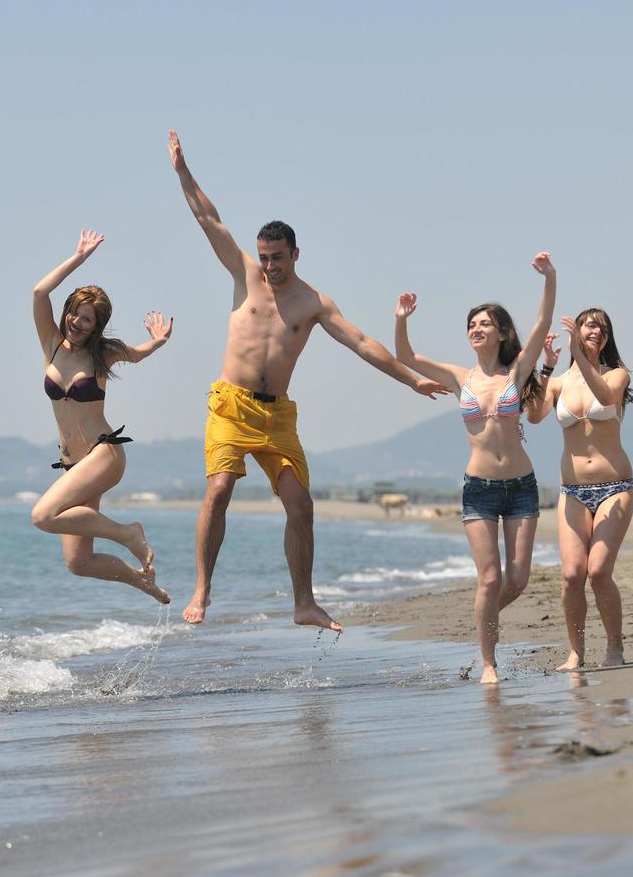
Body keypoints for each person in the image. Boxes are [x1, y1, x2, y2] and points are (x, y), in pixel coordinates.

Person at [168, 130, 447, 631]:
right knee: (220, 489)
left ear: (296, 254)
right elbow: (207, 218)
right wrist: (183, 172)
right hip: (231, 406)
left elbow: (362, 343)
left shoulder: (314, 303)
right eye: (264, 256)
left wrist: (411, 381)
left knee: (300, 504)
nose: (269, 266)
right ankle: (203, 589)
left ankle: (304, 603)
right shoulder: (245, 275)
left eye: (277, 257)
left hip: (276, 415)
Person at [394, 253, 557, 683]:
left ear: (501, 332)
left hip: (521, 487)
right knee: (489, 579)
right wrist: (402, 318)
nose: (476, 328)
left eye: (485, 323)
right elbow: (406, 355)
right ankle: (488, 662)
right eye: (472, 324)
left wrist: (549, 279)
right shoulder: (458, 377)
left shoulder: (517, 372)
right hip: (479, 489)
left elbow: (541, 327)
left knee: (517, 580)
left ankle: (484, 623)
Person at [27, 228, 174, 605]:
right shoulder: (51, 344)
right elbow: (39, 292)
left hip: (102, 455)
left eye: (87, 319)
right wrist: (79, 258)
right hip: (72, 464)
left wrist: (157, 341)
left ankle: (128, 534)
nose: (77, 322)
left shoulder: (102, 354)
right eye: (75, 313)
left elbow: (137, 354)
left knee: (42, 516)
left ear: (97, 326)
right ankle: (143, 583)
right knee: (79, 562)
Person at [527, 307, 633, 669]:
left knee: (599, 571)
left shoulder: (617, 375)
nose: (595, 331)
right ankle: (576, 652)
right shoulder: (559, 383)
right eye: (589, 324)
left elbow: (605, 398)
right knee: (572, 575)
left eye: (602, 328)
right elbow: (533, 415)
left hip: (615, 486)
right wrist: (547, 366)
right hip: (572, 490)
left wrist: (579, 355)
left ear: (606, 339)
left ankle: (615, 648)